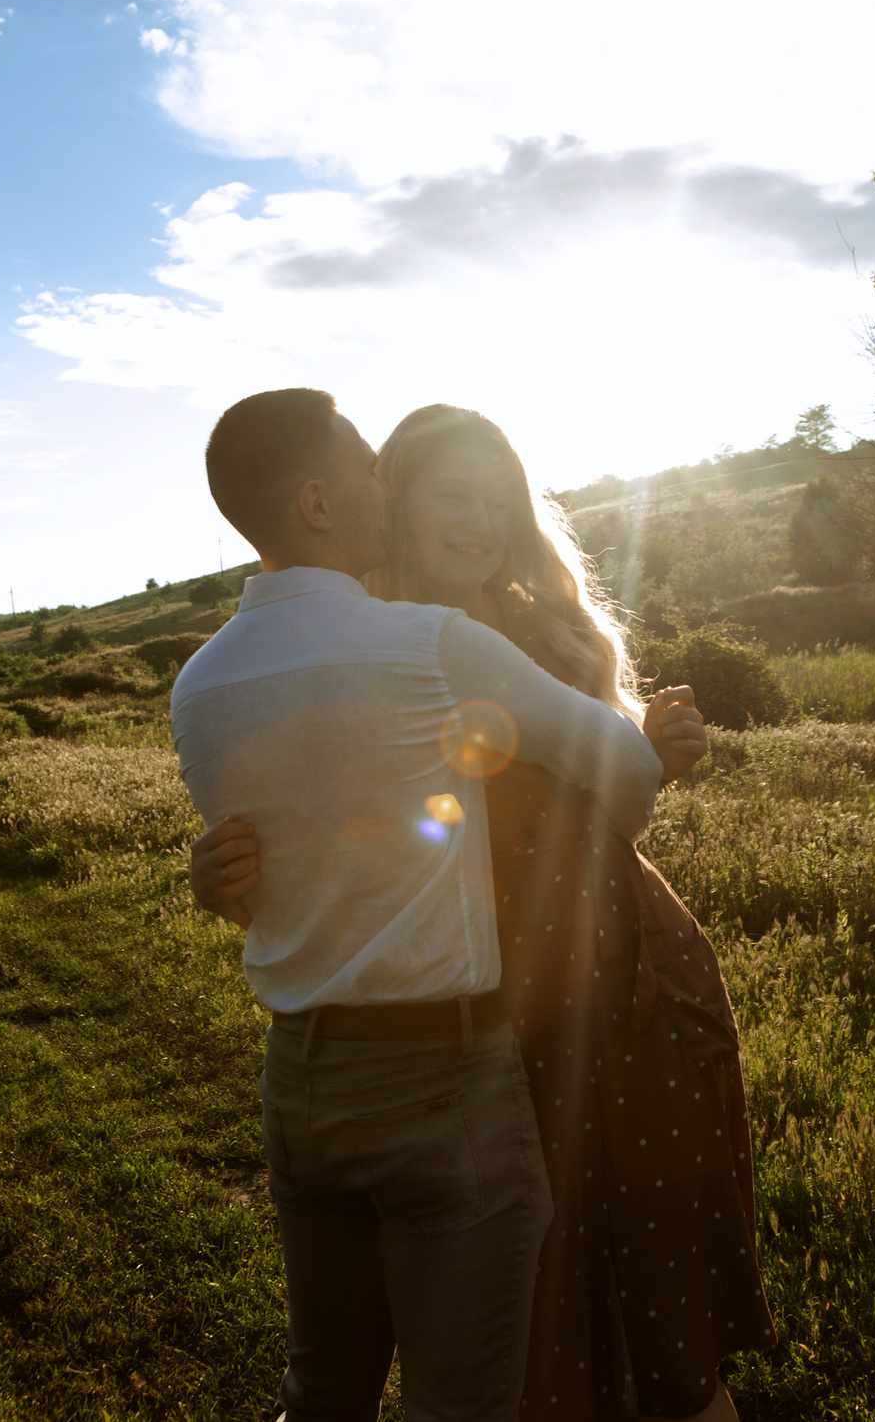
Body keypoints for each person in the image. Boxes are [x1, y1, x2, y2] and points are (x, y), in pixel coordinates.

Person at [193, 404, 777, 1422]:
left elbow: (611, 799)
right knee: (525, 1322)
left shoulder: (541, 629)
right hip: (488, 1011)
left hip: (615, 979)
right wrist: (225, 874)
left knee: (652, 1298)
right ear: (387, 505)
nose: (478, 520)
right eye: (444, 493)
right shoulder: (391, 643)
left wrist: (653, 753)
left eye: (496, 499)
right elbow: (315, 828)